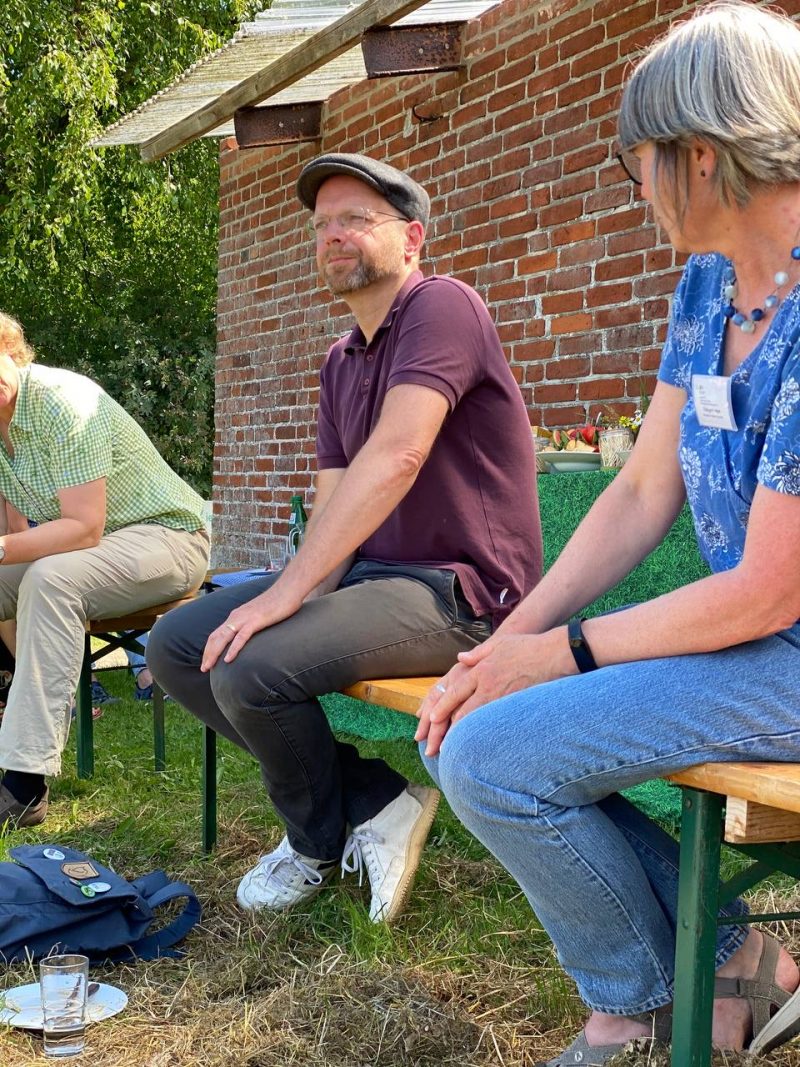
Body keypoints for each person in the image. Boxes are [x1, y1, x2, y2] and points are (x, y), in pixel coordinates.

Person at [416, 2, 800, 1061]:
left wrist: (561, 652)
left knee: (492, 756)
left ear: (701, 153)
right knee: (480, 725)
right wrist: (506, 645)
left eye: (637, 161)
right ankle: (734, 960)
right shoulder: (710, 284)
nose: (634, 188)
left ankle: (631, 1010)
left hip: (781, 642)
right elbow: (640, 489)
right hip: (762, 647)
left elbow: (769, 587)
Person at [148, 152, 541, 923]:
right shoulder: (341, 361)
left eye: (356, 218)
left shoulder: (443, 306)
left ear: (412, 237)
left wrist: (283, 602)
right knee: (179, 644)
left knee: (252, 666)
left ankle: (314, 842)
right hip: (373, 580)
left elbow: (398, 455)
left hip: (461, 592)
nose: (333, 234)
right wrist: (291, 591)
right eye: (322, 223)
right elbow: (333, 502)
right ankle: (375, 799)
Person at [0, 312, 210, 828]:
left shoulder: (60, 401)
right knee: (42, 575)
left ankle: (24, 785)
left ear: (9, 348)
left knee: (51, 580)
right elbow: (17, 529)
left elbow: (82, 528)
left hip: (168, 537)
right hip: (93, 552)